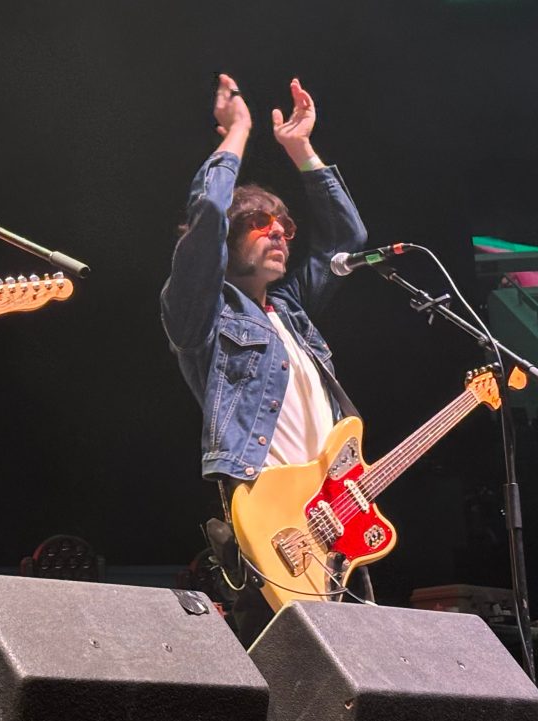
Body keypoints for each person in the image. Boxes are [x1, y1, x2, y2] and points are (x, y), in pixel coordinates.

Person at [160, 73, 369, 645]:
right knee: (287, 671)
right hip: (270, 526)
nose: (279, 233)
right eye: (259, 224)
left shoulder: (290, 312)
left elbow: (346, 241)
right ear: (228, 241)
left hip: (330, 521)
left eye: (285, 227)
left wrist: (301, 148)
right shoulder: (201, 314)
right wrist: (238, 132)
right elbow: (208, 214)